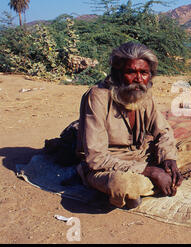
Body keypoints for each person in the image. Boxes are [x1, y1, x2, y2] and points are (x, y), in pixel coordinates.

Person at [75, 42, 182, 209]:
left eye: (144, 73)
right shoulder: (98, 97)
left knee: (189, 148)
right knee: (121, 184)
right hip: (107, 164)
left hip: (140, 156)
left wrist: (168, 158)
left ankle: (147, 185)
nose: (138, 79)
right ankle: (140, 186)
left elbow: (164, 131)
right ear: (117, 74)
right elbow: (96, 158)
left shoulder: (144, 94)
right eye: (131, 72)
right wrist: (151, 171)